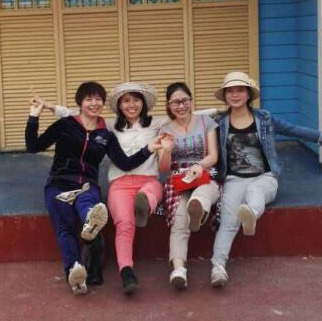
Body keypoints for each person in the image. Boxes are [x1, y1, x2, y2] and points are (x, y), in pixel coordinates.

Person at [42, 82, 217, 294]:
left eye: (136, 100)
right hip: (120, 184)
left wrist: (217, 111)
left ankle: (143, 207)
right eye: (126, 101)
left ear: (143, 103)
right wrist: (50, 107)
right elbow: (75, 114)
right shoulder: (109, 125)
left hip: (148, 181)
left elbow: (184, 113)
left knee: (153, 190)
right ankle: (126, 272)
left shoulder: (157, 124)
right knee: (124, 225)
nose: (131, 105)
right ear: (119, 105)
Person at [210, 71, 322, 288]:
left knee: (255, 192)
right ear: (225, 96)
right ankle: (218, 267)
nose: (235, 95)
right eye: (230, 91)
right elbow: (191, 121)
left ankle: (251, 214)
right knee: (228, 223)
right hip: (233, 180)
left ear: (249, 94)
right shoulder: (218, 122)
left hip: (264, 177)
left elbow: (292, 129)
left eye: (240, 90)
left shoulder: (264, 118)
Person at [25, 80, 163, 296]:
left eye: (98, 99)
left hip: (87, 185)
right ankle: (74, 270)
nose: (94, 103)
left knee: (89, 207)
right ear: (80, 103)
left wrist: (148, 149)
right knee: (64, 225)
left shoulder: (105, 134)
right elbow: (33, 147)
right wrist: (34, 116)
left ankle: (91, 221)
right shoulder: (65, 125)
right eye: (89, 99)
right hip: (59, 183)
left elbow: (125, 163)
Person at [157, 82, 220, 290]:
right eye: (175, 102)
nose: (181, 106)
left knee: (203, 193)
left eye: (184, 100)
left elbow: (213, 156)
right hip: (178, 178)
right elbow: (163, 168)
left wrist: (198, 166)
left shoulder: (205, 122)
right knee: (179, 220)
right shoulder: (164, 130)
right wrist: (166, 151)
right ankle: (178, 269)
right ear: (169, 105)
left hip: (203, 172)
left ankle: (197, 209)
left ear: (191, 101)